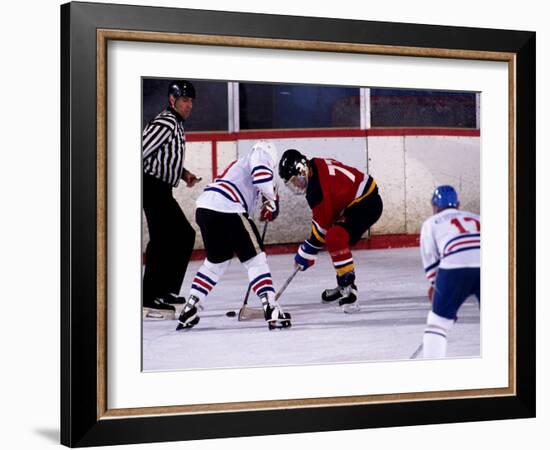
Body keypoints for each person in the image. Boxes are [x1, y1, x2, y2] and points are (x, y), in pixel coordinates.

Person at [176, 140, 291, 331]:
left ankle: (191, 307)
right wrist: (271, 198)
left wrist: (267, 203)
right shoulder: (259, 154)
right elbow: (262, 177)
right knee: (256, 260)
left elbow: (254, 199)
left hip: (206, 208)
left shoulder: (241, 167)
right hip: (228, 208)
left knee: (215, 263)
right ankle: (271, 308)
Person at [278, 149, 383, 312]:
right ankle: (343, 285)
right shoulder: (315, 163)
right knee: (334, 234)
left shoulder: (315, 190)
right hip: (359, 201)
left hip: (366, 204)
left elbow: (321, 231)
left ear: (302, 170)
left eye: (295, 180)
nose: (296, 186)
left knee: (334, 237)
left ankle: (348, 288)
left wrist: (306, 251)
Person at [142, 80, 201, 320]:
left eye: (190, 102)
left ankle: (165, 290)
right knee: (162, 239)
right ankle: (148, 297)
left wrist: (183, 173)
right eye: (185, 101)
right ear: (172, 101)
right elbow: (141, 151)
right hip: (150, 185)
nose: (189, 106)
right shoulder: (166, 122)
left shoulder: (175, 124)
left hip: (161, 187)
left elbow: (164, 157)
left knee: (183, 235)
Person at [419, 185, 480, 358]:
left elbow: (430, 259)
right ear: (458, 204)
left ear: (435, 206)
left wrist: (436, 287)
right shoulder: (477, 217)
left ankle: (434, 376)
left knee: (437, 324)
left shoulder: (431, 223)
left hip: (455, 267)